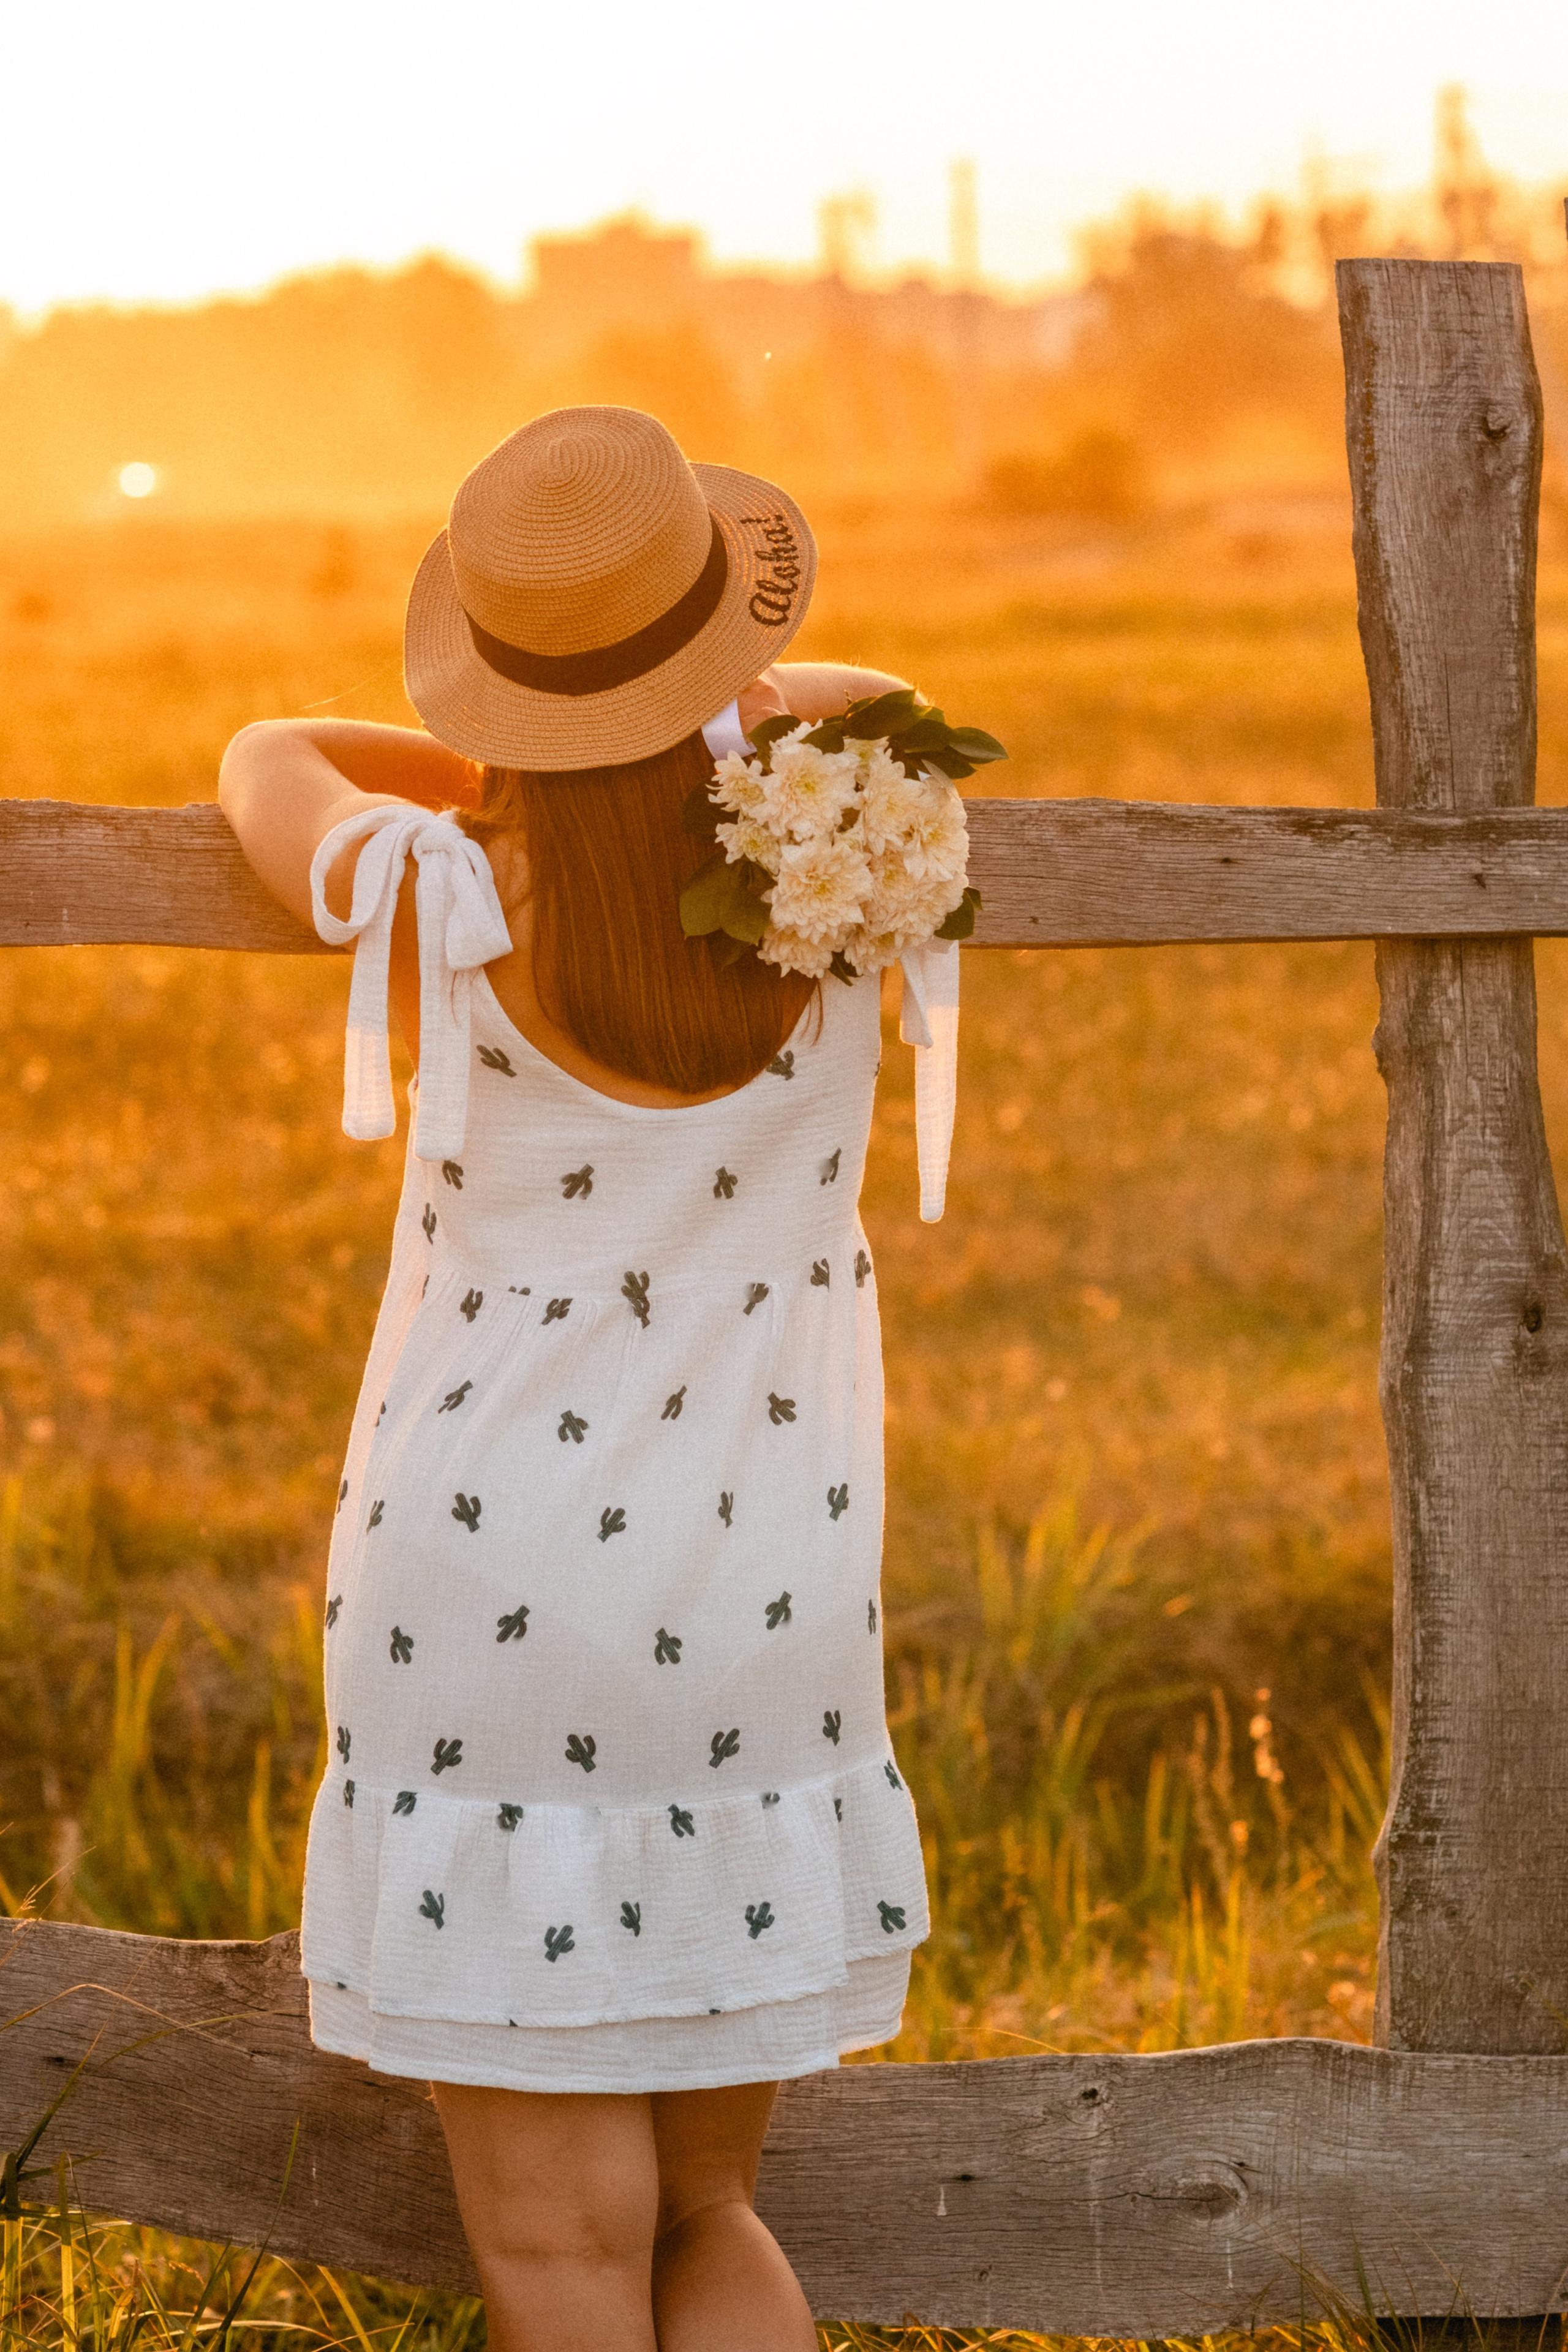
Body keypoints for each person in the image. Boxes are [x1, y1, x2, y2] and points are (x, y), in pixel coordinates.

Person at [220, 406, 952, 2352]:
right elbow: (869, 691)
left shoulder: (453, 894)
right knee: (711, 2202)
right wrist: (712, 719)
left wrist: (508, 773)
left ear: (506, 704)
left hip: (484, 1606)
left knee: (558, 2252)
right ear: (722, 664)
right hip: (761, 1603)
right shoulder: (843, 862)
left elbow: (265, 756)